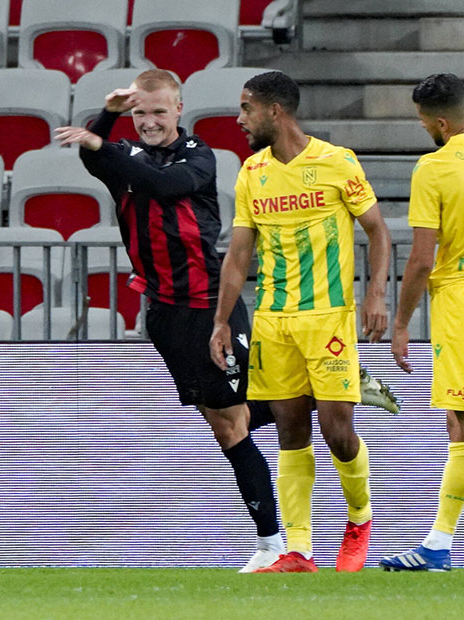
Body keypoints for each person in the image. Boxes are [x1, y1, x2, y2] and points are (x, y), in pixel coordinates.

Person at [55, 69, 286, 572]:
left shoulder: (200, 156)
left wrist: (104, 141)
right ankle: (316, 392)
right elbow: (94, 156)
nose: (150, 122)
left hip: (210, 305)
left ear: (179, 109)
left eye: (159, 111)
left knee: (231, 425)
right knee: (227, 416)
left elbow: (162, 185)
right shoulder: (125, 156)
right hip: (164, 313)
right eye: (140, 113)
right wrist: (108, 119)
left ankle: (271, 543)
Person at [209, 70, 392, 573]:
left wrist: (376, 294)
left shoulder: (337, 162)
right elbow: (238, 254)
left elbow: (377, 232)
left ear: (275, 111)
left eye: (246, 108)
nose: (239, 118)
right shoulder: (252, 172)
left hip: (328, 317)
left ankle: (359, 520)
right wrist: (221, 321)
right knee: (290, 432)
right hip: (273, 320)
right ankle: (300, 549)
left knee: (337, 432)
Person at [380, 73, 464, 572]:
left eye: (421, 122)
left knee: (461, 426)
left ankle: (437, 544)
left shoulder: (434, 169)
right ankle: (437, 542)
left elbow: (422, 261)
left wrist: (401, 323)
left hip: (458, 302)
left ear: (439, 122)